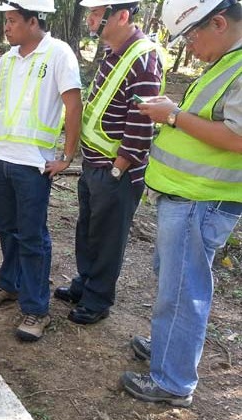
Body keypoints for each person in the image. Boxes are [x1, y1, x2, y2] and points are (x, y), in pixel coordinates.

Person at [121, 0, 242, 407]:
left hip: (201, 202)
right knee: (172, 280)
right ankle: (167, 348)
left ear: (219, 22)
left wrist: (172, 116)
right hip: (186, 198)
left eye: (191, 34)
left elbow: (237, 138)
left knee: (183, 289)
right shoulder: (226, 63)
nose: (189, 46)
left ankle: (172, 381)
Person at [0, 0, 82, 341]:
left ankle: (36, 309)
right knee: (6, 227)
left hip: (34, 164)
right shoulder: (7, 60)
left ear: (33, 21)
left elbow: (73, 105)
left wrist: (67, 156)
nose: (6, 27)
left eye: (11, 21)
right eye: (5, 20)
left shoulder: (58, 54)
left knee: (32, 236)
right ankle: (10, 284)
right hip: (2, 157)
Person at [53, 0, 163, 324]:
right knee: (88, 230)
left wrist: (118, 168)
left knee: (108, 237)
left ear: (122, 15)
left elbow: (141, 124)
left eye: (96, 13)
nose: (89, 19)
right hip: (94, 165)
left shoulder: (142, 57)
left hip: (115, 172)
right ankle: (84, 284)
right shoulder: (112, 51)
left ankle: (98, 299)